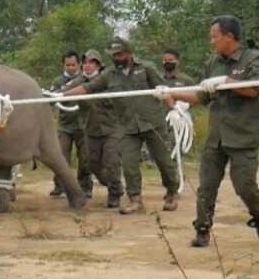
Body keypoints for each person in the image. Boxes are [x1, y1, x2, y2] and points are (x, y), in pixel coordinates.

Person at [164, 16, 259, 248]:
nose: (211, 42)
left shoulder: (254, 58)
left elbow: (255, 89)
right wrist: (171, 94)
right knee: (207, 184)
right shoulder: (213, 63)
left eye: (214, 37)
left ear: (229, 37)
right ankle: (202, 229)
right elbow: (200, 97)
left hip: (243, 135)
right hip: (217, 136)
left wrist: (226, 80)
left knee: (243, 184)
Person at [63, 37, 180, 214]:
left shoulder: (146, 68)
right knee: (129, 163)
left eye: (119, 54)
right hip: (127, 126)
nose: (116, 58)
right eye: (113, 55)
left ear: (129, 53)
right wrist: (63, 95)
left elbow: (163, 89)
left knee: (164, 161)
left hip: (152, 123)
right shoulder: (109, 74)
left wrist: (174, 108)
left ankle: (172, 192)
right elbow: (89, 88)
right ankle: (135, 199)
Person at [70, 50, 124, 209]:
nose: (88, 66)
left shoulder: (108, 79)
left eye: (92, 63)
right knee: (91, 164)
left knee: (111, 161)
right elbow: (62, 92)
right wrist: (51, 96)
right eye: (85, 62)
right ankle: (112, 184)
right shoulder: (78, 82)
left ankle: (115, 194)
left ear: (99, 65)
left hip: (112, 128)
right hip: (90, 129)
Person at [50, 51, 92, 200]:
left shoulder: (85, 79)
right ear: (63, 65)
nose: (70, 67)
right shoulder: (57, 81)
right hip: (64, 125)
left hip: (84, 125)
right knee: (60, 157)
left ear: (79, 64)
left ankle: (85, 187)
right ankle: (59, 186)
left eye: (73, 64)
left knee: (86, 158)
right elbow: (52, 99)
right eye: (67, 65)